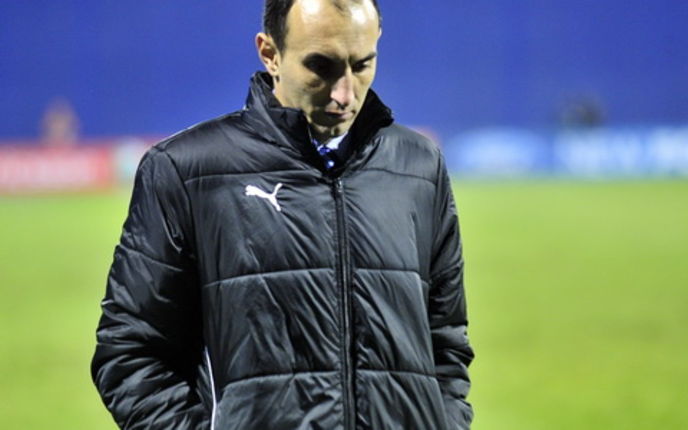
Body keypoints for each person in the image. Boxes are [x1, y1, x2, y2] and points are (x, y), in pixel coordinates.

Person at [90, 0, 474, 429]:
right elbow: (131, 353)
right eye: (321, 67)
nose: (345, 93)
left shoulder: (418, 167)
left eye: (362, 64)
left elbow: (447, 341)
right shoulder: (186, 172)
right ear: (270, 53)